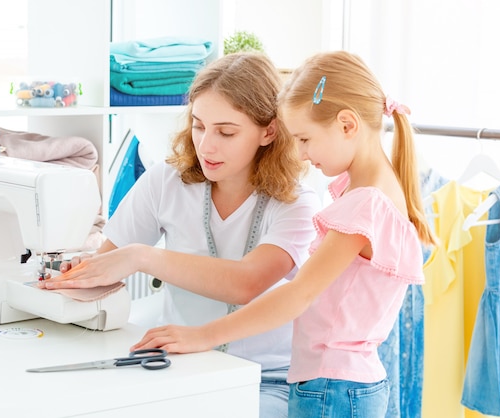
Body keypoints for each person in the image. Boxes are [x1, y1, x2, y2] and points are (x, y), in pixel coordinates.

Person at [130, 50, 438, 418]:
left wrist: (204, 335)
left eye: (305, 139)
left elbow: (298, 294)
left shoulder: (365, 204)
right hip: (337, 384)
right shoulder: (371, 192)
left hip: (332, 388)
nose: (303, 155)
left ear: (347, 125)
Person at [40, 52, 321, 418]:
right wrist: (69, 276)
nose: (206, 145)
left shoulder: (297, 204)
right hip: (179, 365)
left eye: (226, 131)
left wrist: (143, 256)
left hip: (267, 379)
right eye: (198, 125)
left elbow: (247, 283)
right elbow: (108, 263)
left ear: (268, 130)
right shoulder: (165, 180)